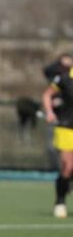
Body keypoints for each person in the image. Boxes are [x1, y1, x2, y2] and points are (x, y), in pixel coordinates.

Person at [42, 53, 73, 218]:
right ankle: (60, 201)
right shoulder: (64, 78)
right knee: (68, 166)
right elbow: (47, 95)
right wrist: (49, 112)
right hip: (67, 126)